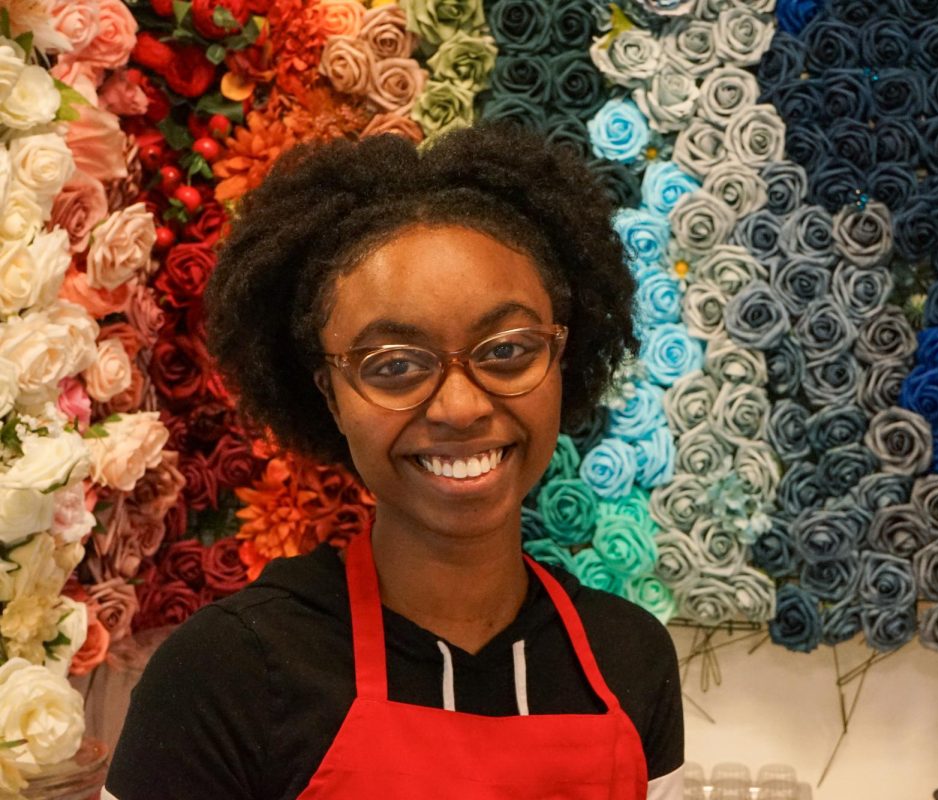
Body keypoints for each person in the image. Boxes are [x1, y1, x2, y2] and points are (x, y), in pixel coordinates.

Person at [103, 124, 684, 799]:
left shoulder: (630, 660)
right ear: (329, 394)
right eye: (396, 365)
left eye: (506, 350)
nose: (461, 406)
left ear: (562, 359)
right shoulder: (228, 673)